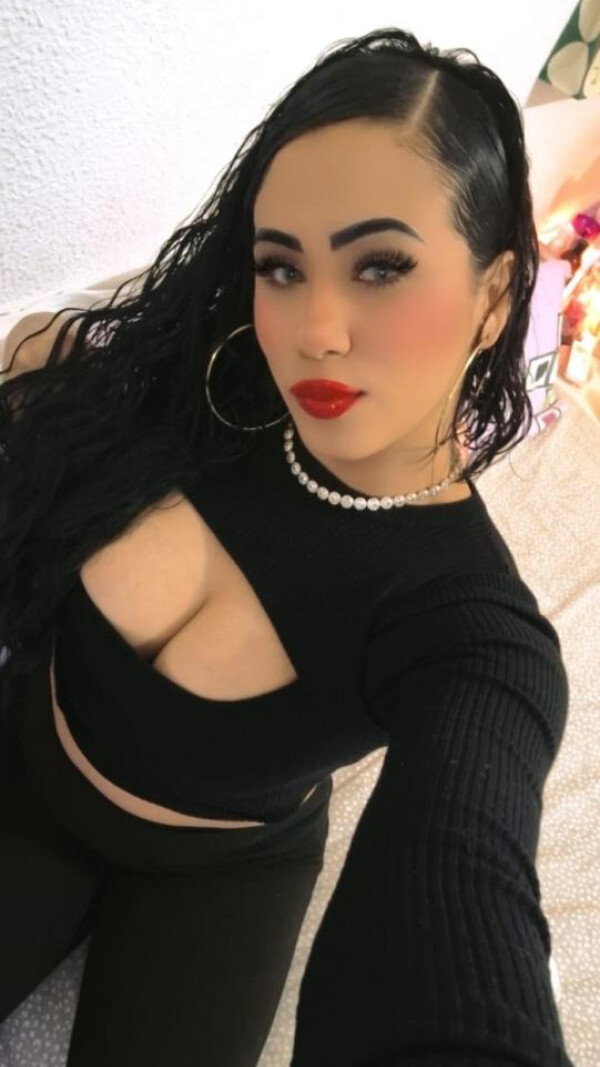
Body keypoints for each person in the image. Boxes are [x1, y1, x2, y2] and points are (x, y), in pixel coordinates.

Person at [0, 26, 575, 1067]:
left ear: (495, 296)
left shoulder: (470, 631)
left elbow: (458, 885)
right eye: (281, 265)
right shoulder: (203, 377)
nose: (315, 330)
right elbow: (42, 354)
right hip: (28, 759)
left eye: (381, 266)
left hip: (215, 875)